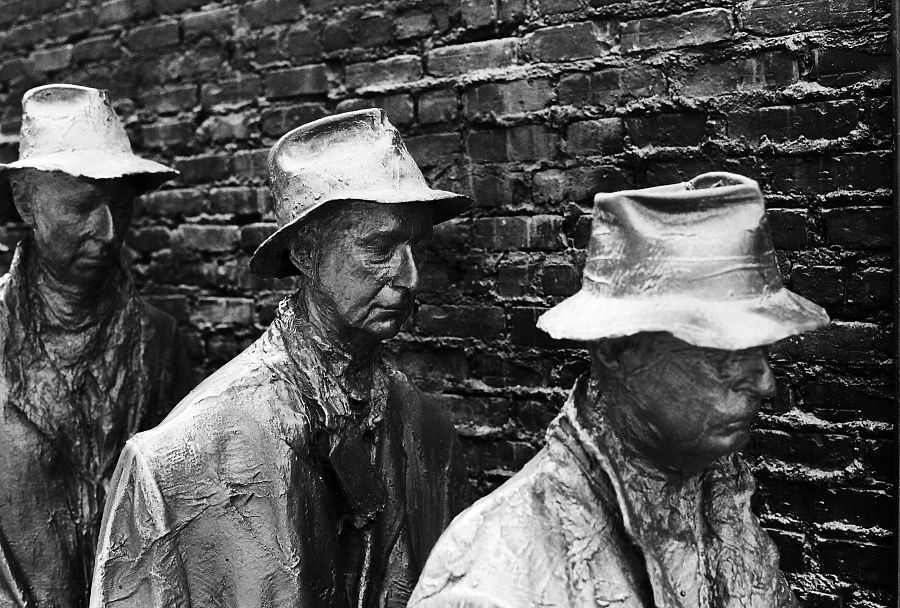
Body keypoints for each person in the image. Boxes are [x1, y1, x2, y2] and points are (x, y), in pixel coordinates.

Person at [91, 109, 474, 608]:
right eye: (379, 248)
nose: (410, 277)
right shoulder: (177, 461)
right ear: (305, 252)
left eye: (415, 247)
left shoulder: (431, 436)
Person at [409, 173, 830, 608]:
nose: (766, 383)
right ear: (615, 347)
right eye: (723, 350)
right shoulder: (496, 580)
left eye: (762, 350)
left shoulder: (718, 497)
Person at [0, 84, 193, 607]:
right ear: (26, 201)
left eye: (120, 206)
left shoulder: (160, 342)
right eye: (83, 205)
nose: (107, 231)